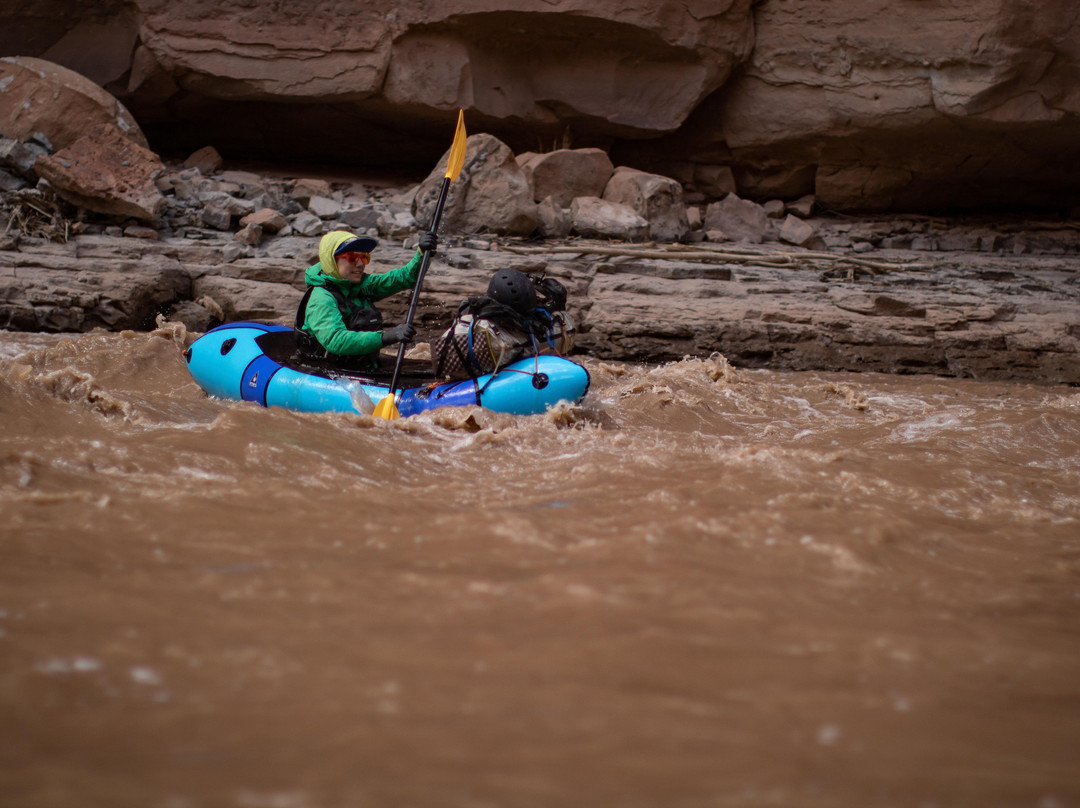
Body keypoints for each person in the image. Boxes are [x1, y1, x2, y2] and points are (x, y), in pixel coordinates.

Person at [295, 229, 437, 366]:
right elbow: (335, 340)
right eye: (352, 258)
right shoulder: (320, 298)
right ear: (331, 260)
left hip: (359, 366)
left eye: (364, 257)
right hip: (329, 371)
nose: (360, 264)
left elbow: (406, 278)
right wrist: (386, 337)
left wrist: (422, 254)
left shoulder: (360, 285)